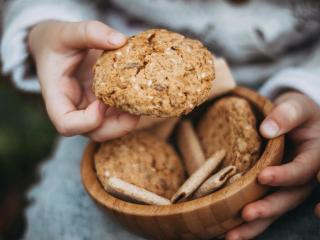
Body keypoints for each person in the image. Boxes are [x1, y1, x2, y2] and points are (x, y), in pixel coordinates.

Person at [1, 0, 320, 239]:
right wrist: (45, 29)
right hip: (108, 98)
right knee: (61, 219)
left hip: (297, 93)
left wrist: (312, 88)